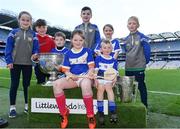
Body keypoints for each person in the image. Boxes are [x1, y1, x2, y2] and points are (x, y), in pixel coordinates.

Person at [53, 30, 96, 129]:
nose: (78, 42)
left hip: (84, 77)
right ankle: (64, 113)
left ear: (84, 41)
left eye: (80, 40)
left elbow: (91, 67)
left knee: (85, 85)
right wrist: (71, 75)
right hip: (72, 78)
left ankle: (90, 116)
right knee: (56, 84)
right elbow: (66, 70)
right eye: (75, 40)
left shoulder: (88, 51)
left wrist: (90, 73)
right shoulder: (68, 53)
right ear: (71, 40)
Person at [5, 11, 39, 118]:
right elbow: (8, 48)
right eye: (23, 19)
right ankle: (12, 108)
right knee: (14, 85)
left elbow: (36, 48)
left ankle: (26, 106)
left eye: (27, 20)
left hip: (28, 64)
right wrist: (9, 61)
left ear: (30, 22)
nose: (25, 22)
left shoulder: (33, 34)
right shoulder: (13, 32)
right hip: (15, 64)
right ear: (19, 20)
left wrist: (35, 54)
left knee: (26, 85)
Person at [124, 16, 151, 108]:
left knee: (141, 87)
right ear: (127, 25)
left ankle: (145, 107)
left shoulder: (142, 37)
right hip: (128, 67)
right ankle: (131, 106)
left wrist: (144, 62)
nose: (131, 25)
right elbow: (127, 52)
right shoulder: (126, 39)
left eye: (134, 23)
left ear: (138, 25)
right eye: (130, 23)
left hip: (139, 67)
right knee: (129, 88)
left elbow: (147, 50)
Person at [94, 39, 118, 125]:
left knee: (108, 88)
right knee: (100, 88)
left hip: (108, 79)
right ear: (101, 49)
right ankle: (101, 112)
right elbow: (96, 70)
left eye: (109, 48)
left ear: (111, 49)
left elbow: (115, 72)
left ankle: (113, 111)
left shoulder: (113, 60)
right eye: (104, 48)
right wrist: (95, 79)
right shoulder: (98, 58)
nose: (107, 49)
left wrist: (114, 78)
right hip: (100, 78)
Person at [34, 19, 55, 84]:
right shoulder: (34, 38)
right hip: (38, 64)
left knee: (51, 82)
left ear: (46, 28)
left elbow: (54, 51)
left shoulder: (51, 40)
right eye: (39, 27)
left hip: (49, 64)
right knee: (40, 82)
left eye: (44, 27)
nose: (42, 29)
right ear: (36, 28)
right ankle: (40, 94)